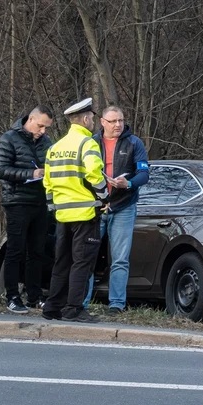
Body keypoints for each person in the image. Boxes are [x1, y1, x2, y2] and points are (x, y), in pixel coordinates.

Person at [42, 97, 107, 323]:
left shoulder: (55, 147)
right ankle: (74, 308)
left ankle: (52, 307)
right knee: (82, 263)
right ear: (86, 119)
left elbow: (48, 182)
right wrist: (104, 196)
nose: (93, 123)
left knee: (62, 261)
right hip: (85, 213)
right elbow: (94, 174)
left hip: (62, 214)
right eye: (92, 118)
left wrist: (53, 205)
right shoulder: (87, 144)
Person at [81, 105, 149, 314]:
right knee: (87, 256)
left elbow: (144, 174)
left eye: (120, 120)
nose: (118, 125)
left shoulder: (133, 142)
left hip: (123, 206)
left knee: (120, 258)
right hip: (95, 206)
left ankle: (117, 304)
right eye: (112, 121)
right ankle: (81, 302)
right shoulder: (91, 142)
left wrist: (127, 184)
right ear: (102, 122)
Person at [0, 106, 56, 313]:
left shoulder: (47, 143)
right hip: (17, 201)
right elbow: (0, 169)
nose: (43, 131)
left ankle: (34, 296)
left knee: (37, 252)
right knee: (15, 251)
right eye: (40, 126)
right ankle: (12, 296)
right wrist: (31, 173)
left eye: (46, 128)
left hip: (41, 202)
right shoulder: (9, 138)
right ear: (30, 119)